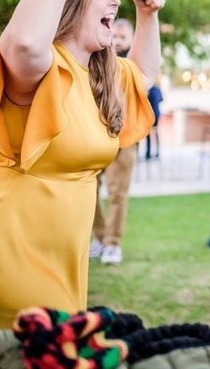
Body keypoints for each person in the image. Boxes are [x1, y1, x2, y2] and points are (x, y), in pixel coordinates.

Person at [0, 0, 163, 312]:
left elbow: (145, 73)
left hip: (62, 254)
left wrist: (148, 15)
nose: (115, 1)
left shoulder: (102, 74)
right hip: (7, 244)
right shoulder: (41, 68)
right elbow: (25, 42)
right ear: (70, 1)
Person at [89, 18, 140, 265]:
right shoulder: (96, 62)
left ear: (131, 39)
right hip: (97, 137)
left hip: (126, 139)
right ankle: (99, 236)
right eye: (115, 36)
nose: (118, 41)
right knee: (90, 190)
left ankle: (113, 243)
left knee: (119, 193)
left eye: (123, 37)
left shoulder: (134, 66)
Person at [145, 80, 163, 159]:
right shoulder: (158, 89)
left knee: (148, 133)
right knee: (155, 132)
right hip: (157, 113)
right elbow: (161, 100)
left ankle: (148, 153)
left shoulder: (148, 90)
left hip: (150, 114)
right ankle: (157, 152)